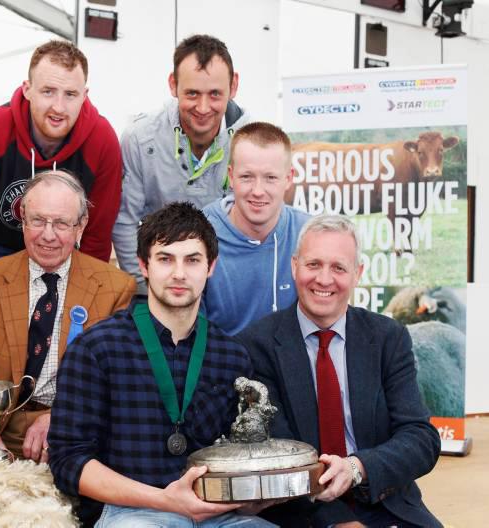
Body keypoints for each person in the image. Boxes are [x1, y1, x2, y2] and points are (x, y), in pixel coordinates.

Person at [49, 202, 275, 527]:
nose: (179, 274)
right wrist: (165, 500)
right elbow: (68, 460)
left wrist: (255, 497)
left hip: (218, 514)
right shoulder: (96, 348)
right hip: (130, 512)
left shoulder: (232, 356)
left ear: (211, 266)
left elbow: (240, 453)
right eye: (165, 259)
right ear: (144, 265)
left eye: (192, 260)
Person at [238, 215, 442, 528]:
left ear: (357, 274)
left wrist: (357, 467)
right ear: (294, 266)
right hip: (302, 510)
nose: (324, 279)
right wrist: (339, 522)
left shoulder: (389, 338)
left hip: (383, 498)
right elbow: (275, 454)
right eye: (313, 264)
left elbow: (420, 438)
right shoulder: (258, 345)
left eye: (338, 267)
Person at [0, 170, 135, 471]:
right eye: (38, 220)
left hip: (74, 434)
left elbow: (115, 381)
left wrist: (61, 418)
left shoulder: (115, 289)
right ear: (22, 217)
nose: (48, 235)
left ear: (81, 225)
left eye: (61, 223)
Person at [0, 40, 121, 295]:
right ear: (27, 89)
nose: (58, 107)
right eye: (48, 91)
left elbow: (97, 237)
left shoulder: (102, 141)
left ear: (85, 95)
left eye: (70, 94)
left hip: (63, 251)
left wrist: (83, 300)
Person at [113, 34, 250, 292]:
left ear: (234, 86)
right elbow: (125, 222)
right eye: (192, 93)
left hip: (226, 286)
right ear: (173, 84)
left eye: (215, 94)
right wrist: (146, 291)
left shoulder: (252, 144)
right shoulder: (140, 139)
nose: (203, 107)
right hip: (159, 286)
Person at [202, 122, 309, 335]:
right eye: (247, 177)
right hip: (221, 363)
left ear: (288, 179)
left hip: (287, 364)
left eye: (270, 178)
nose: (258, 191)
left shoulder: (309, 235)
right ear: (231, 177)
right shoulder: (198, 235)